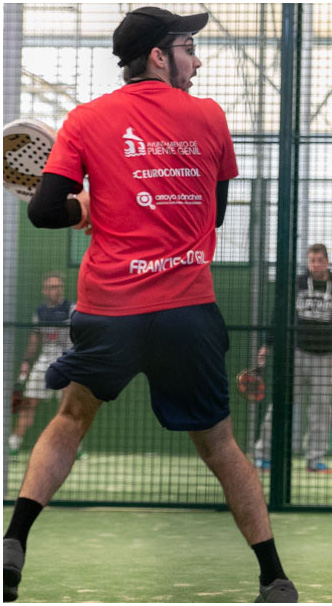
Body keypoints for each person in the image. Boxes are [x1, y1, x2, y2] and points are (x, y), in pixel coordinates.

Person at [2, 8, 297, 603]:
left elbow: (43, 211)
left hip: (109, 310)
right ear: (159, 56)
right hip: (187, 309)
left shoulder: (86, 120)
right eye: (189, 47)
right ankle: (274, 577)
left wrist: (90, 209)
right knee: (219, 445)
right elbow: (214, 214)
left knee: (71, 419)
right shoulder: (210, 116)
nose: (198, 60)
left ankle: (14, 540)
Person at [255, 243, 332, 474]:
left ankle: (315, 460)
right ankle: (264, 456)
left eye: (319, 260)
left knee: (321, 409)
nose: (315, 265)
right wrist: (267, 344)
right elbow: (279, 313)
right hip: (295, 355)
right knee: (281, 404)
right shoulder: (297, 284)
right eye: (312, 260)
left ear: (327, 262)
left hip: (325, 358)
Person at [8, 273, 77, 459]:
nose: (57, 290)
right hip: (43, 365)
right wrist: (26, 362)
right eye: (53, 287)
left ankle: (74, 448)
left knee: (67, 408)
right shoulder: (39, 312)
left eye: (59, 286)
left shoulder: (71, 309)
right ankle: (13, 444)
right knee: (28, 404)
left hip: (66, 364)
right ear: (45, 290)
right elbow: (34, 339)